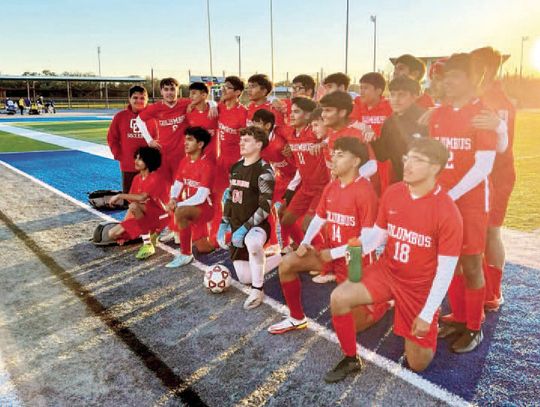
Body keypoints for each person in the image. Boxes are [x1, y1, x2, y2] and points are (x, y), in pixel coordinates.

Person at [325, 138, 462, 382]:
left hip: (418, 287)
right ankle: (350, 358)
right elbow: (378, 236)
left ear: (436, 168)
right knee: (339, 298)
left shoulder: (447, 211)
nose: (407, 165)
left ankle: (423, 320)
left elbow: (446, 270)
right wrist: (339, 252)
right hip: (387, 271)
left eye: (417, 160)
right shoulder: (394, 191)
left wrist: (428, 312)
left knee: (417, 363)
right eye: (406, 158)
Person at [267, 137, 378, 334]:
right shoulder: (332, 186)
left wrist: (334, 254)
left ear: (356, 161)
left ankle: (381, 304)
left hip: (355, 263)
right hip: (329, 253)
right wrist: (306, 242)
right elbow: (319, 218)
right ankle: (296, 318)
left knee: (351, 327)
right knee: (288, 264)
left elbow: (369, 241)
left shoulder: (365, 191)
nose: (333, 159)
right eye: (333, 154)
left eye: (340, 155)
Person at [430, 53, 498, 353]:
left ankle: (474, 327)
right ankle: (459, 316)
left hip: (470, 203)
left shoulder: (483, 114)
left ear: (472, 79)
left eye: (454, 76)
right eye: (445, 76)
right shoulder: (439, 113)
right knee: (450, 259)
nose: (447, 81)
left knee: (471, 263)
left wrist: (451, 195)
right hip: (445, 199)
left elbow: (484, 166)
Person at [471, 46, 516, 312]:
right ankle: (478, 289)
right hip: (478, 176)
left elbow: (499, 146)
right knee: (475, 234)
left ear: (484, 69)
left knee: (490, 232)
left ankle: (493, 292)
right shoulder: (478, 97)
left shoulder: (497, 101)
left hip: (496, 176)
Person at [217, 126, 278, 310]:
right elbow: (230, 196)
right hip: (236, 226)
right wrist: (224, 222)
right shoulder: (236, 166)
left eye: (247, 140)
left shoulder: (265, 170)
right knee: (244, 277)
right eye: (241, 139)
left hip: (257, 227)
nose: (241, 143)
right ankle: (282, 258)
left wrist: (245, 228)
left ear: (259, 144)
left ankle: (258, 290)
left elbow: (265, 208)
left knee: (252, 243)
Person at [280, 97, 329, 246]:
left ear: (308, 115)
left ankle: (322, 258)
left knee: (308, 225)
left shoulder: (315, 132)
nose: (291, 115)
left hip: (322, 187)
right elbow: (301, 166)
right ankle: (302, 246)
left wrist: (324, 143)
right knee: (285, 220)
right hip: (305, 187)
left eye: (296, 112)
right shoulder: (290, 134)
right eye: (290, 112)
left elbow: (335, 134)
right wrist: (291, 188)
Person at [165, 127, 216, 268]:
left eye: (190, 140)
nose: (185, 143)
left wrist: (179, 205)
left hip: (205, 208)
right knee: (204, 248)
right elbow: (177, 184)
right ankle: (209, 243)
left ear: (200, 144)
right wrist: (173, 198)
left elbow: (201, 197)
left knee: (180, 212)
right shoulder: (184, 161)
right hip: (191, 206)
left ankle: (186, 254)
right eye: (185, 139)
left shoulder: (207, 165)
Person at [108, 147, 168, 260]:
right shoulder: (136, 178)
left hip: (161, 217)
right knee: (113, 234)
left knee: (134, 205)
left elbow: (141, 198)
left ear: (149, 161)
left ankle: (148, 244)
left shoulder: (156, 177)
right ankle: (148, 233)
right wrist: (125, 224)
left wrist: (120, 195)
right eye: (136, 157)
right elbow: (132, 206)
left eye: (140, 159)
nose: (136, 161)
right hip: (144, 218)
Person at [371, 76, 428, 182]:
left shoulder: (425, 119)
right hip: (400, 181)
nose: (396, 99)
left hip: (424, 183)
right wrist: (372, 139)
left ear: (414, 96)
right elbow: (383, 156)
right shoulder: (390, 122)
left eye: (402, 95)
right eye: (392, 95)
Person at [107, 85, 157, 193]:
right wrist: (119, 155)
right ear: (129, 99)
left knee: (149, 199)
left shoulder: (154, 117)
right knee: (129, 199)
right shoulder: (120, 117)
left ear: (147, 99)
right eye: (135, 97)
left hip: (149, 166)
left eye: (142, 98)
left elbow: (159, 139)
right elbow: (112, 138)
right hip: (128, 165)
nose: (139, 100)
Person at [186, 82, 218, 161]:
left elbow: (220, 104)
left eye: (194, 93)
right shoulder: (189, 112)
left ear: (203, 95)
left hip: (212, 158)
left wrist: (213, 104)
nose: (190, 96)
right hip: (196, 158)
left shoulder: (215, 111)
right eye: (190, 94)